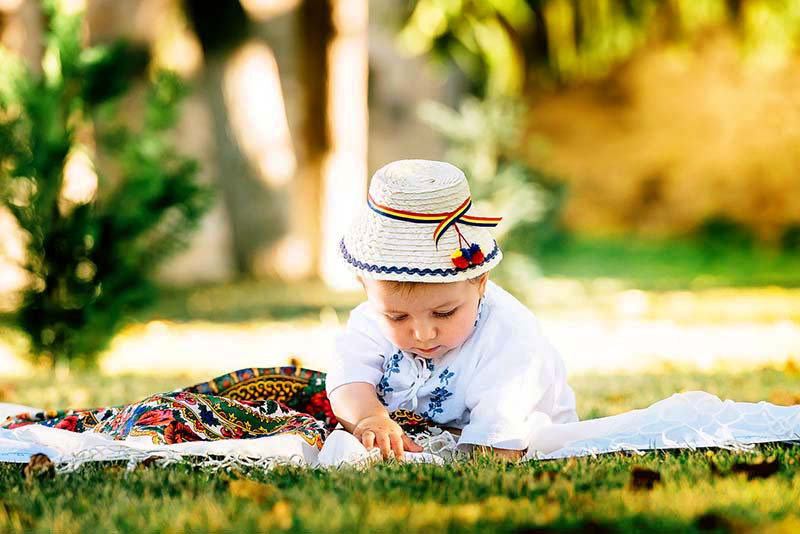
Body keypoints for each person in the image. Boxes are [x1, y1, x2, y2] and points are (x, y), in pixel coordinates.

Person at [326, 159, 578, 462]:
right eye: (397, 317)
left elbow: (499, 446)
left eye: (444, 313)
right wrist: (369, 417)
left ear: (480, 283)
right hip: (422, 431)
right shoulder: (368, 320)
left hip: (505, 438)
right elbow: (348, 374)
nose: (423, 333)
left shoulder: (509, 335)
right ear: (365, 288)